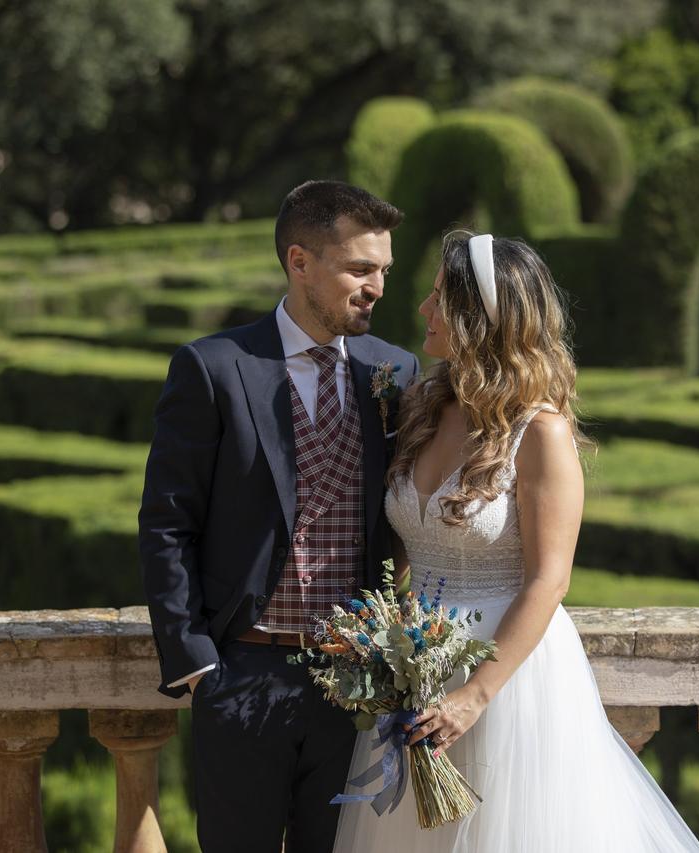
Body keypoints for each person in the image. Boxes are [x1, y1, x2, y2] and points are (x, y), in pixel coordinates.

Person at [332, 230, 699, 852]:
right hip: (415, 666)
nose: (423, 311)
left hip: (507, 680)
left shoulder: (541, 432)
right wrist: (381, 643)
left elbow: (549, 580)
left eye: (438, 299)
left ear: (480, 319)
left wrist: (475, 697)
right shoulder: (421, 405)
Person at [138, 180, 420, 853]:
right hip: (243, 672)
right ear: (299, 262)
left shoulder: (395, 371)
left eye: (383, 269)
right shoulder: (214, 367)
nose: (377, 286)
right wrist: (198, 662)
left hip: (355, 685)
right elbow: (167, 523)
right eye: (359, 268)